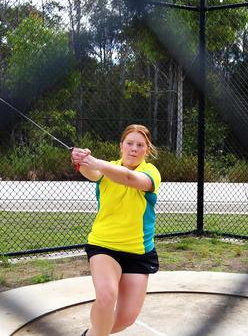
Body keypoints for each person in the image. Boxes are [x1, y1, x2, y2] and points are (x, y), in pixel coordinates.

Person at [71, 124, 161, 336]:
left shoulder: (151, 173)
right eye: (129, 143)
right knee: (106, 296)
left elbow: (129, 179)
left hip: (139, 252)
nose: (134, 149)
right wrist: (80, 160)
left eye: (140, 145)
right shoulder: (106, 169)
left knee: (125, 319)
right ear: (121, 146)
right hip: (104, 246)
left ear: (146, 150)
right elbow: (90, 172)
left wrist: (97, 163)